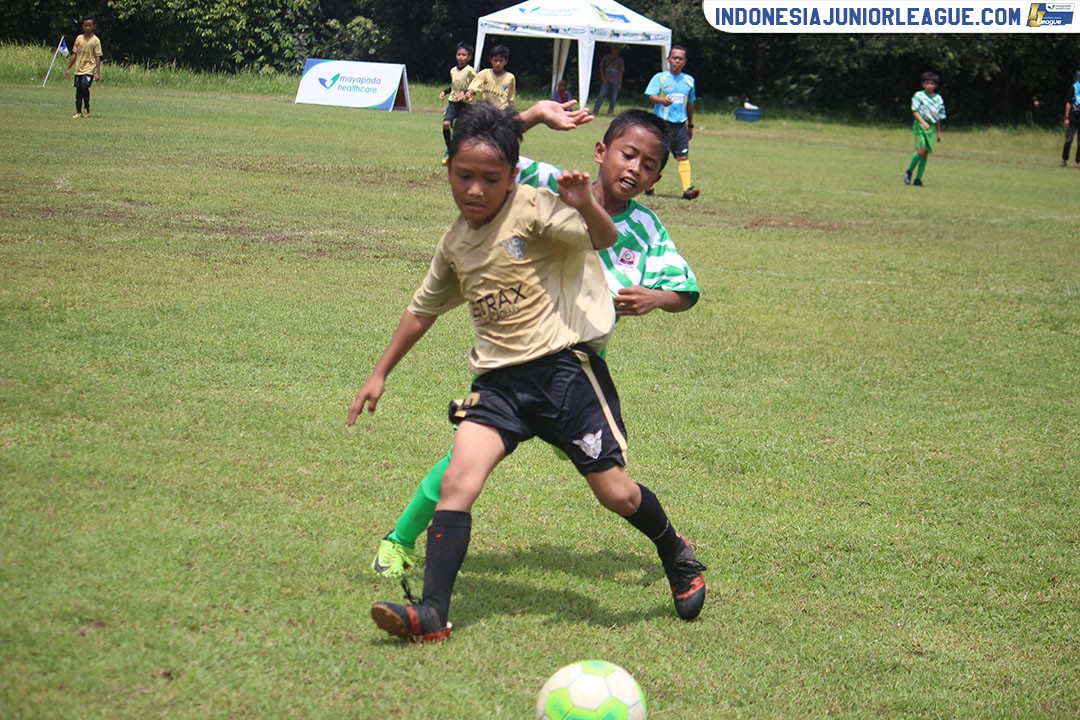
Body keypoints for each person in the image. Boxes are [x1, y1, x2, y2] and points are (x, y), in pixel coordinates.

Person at [348, 102, 706, 643]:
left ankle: (675, 553)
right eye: (462, 176)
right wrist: (379, 374)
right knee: (458, 480)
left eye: (489, 180)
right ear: (446, 171)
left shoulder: (535, 203)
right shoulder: (455, 244)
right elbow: (421, 309)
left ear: (510, 179)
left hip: (566, 372)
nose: (474, 189)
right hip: (499, 382)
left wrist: (584, 204)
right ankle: (431, 613)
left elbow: (607, 240)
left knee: (615, 494)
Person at [644, 46, 699, 200]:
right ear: (668, 59)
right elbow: (650, 96)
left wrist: (690, 125)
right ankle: (649, 186)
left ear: (685, 62)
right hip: (662, 124)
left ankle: (687, 190)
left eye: (680, 58)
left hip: (680, 125)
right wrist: (661, 100)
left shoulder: (689, 81)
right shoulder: (660, 78)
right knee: (657, 156)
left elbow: (690, 103)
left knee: (683, 157)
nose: (677, 61)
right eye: (674, 57)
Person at [904, 71, 946, 187]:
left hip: (931, 128)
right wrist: (923, 122)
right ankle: (909, 171)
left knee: (925, 154)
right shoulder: (919, 95)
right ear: (923, 84)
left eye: (932, 84)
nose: (930, 86)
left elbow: (938, 117)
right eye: (927, 83)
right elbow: (915, 111)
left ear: (936, 85)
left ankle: (918, 179)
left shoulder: (938, 99)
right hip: (919, 126)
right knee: (920, 150)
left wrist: (938, 133)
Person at [438, 42, 476, 166]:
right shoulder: (453, 70)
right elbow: (454, 86)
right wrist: (445, 91)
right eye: (458, 54)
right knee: (446, 124)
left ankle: (463, 154)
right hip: (453, 102)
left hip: (466, 104)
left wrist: (466, 93)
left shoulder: (470, 71)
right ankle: (450, 149)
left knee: (461, 129)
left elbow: (476, 86)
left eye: (463, 55)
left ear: (469, 57)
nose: (460, 57)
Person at [63, 16, 102, 119]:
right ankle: (78, 112)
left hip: (89, 68)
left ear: (94, 26)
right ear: (82, 27)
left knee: (85, 86)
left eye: (90, 25)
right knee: (78, 90)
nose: (88, 27)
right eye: (86, 25)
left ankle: (87, 106)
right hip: (78, 68)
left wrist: (97, 72)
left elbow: (98, 57)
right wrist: (68, 68)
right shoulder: (79, 38)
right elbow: (74, 54)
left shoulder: (95, 40)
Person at [465, 45, 515, 110]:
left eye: (501, 61)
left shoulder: (510, 77)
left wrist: (510, 110)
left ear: (506, 61)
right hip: (485, 110)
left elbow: (511, 97)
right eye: (495, 60)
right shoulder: (484, 73)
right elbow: (475, 86)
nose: (498, 63)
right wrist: (470, 92)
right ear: (491, 60)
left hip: (501, 110)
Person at [592, 45, 625, 116]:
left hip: (615, 81)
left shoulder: (620, 60)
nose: (616, 51)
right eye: (614, 49)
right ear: (611, 49)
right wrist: (603, 78)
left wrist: (620, 82)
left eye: (617, 49)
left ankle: (610, 112)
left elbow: (621, 72)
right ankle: (595, 110)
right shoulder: (606, 58)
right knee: (601, 95)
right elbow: (601, 68)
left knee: (613, 97)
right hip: (606, 80)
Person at [1061, 70, 1080, 168]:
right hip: (1073, 117)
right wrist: (1067, 117)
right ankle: (1064, 159)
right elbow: (1068, 103)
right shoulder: (1074, 87)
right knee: (1068, 139)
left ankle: (1078, 162)